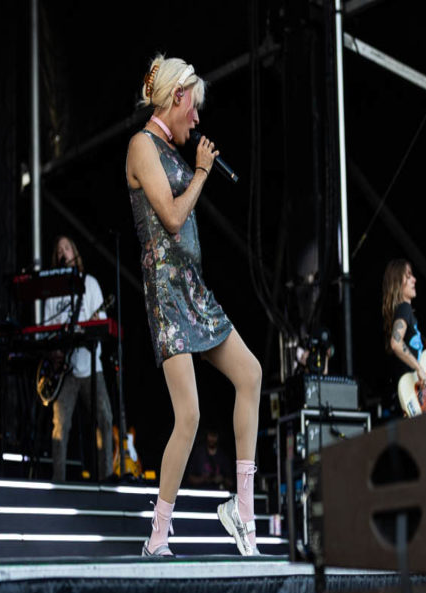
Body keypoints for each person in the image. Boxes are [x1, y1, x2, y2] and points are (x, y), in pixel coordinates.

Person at [125, 54, 262, 557]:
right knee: (189, 415)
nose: (197, 118)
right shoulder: (141, 146)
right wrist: (202, 173)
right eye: (194, 107)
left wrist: (198, 170)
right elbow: (172, 217)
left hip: (194, 289)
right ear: (177, 97)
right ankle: (158, 536)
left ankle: (242, 511)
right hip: (167, 293)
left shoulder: (169, 148)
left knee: (251, 374)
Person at [43, 235, 114, 482]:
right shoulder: (53, 290)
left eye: (67, 248)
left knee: (105, 419)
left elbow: (101, 323)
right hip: (64, 371)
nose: (62, 252)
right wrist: (54, 352)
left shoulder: (90, 283)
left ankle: (106, 479)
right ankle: (59, 481)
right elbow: (46, 329)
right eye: (58, 250)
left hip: (91, 366)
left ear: (75, 253)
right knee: (60, 426)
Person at [381, 259, 426, 416]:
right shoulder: (404, 308)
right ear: (398, 283)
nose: (414, 280)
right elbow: (396, 343)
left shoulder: (406, 314)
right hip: (409, 394)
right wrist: (419, 368)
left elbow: (420, 367)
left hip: (415, 397)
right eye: (408, 276)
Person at [186, 426, 234, 490]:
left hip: (218, 492)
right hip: (200, 491)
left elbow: (231, 483)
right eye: (210, 435)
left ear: (218, 437)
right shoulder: (199, 453)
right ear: (207, 435)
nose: (212, 439)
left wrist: (222, 479)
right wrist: (204, 479)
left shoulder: (223, 456)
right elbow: (189, 478)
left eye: (214, 436)